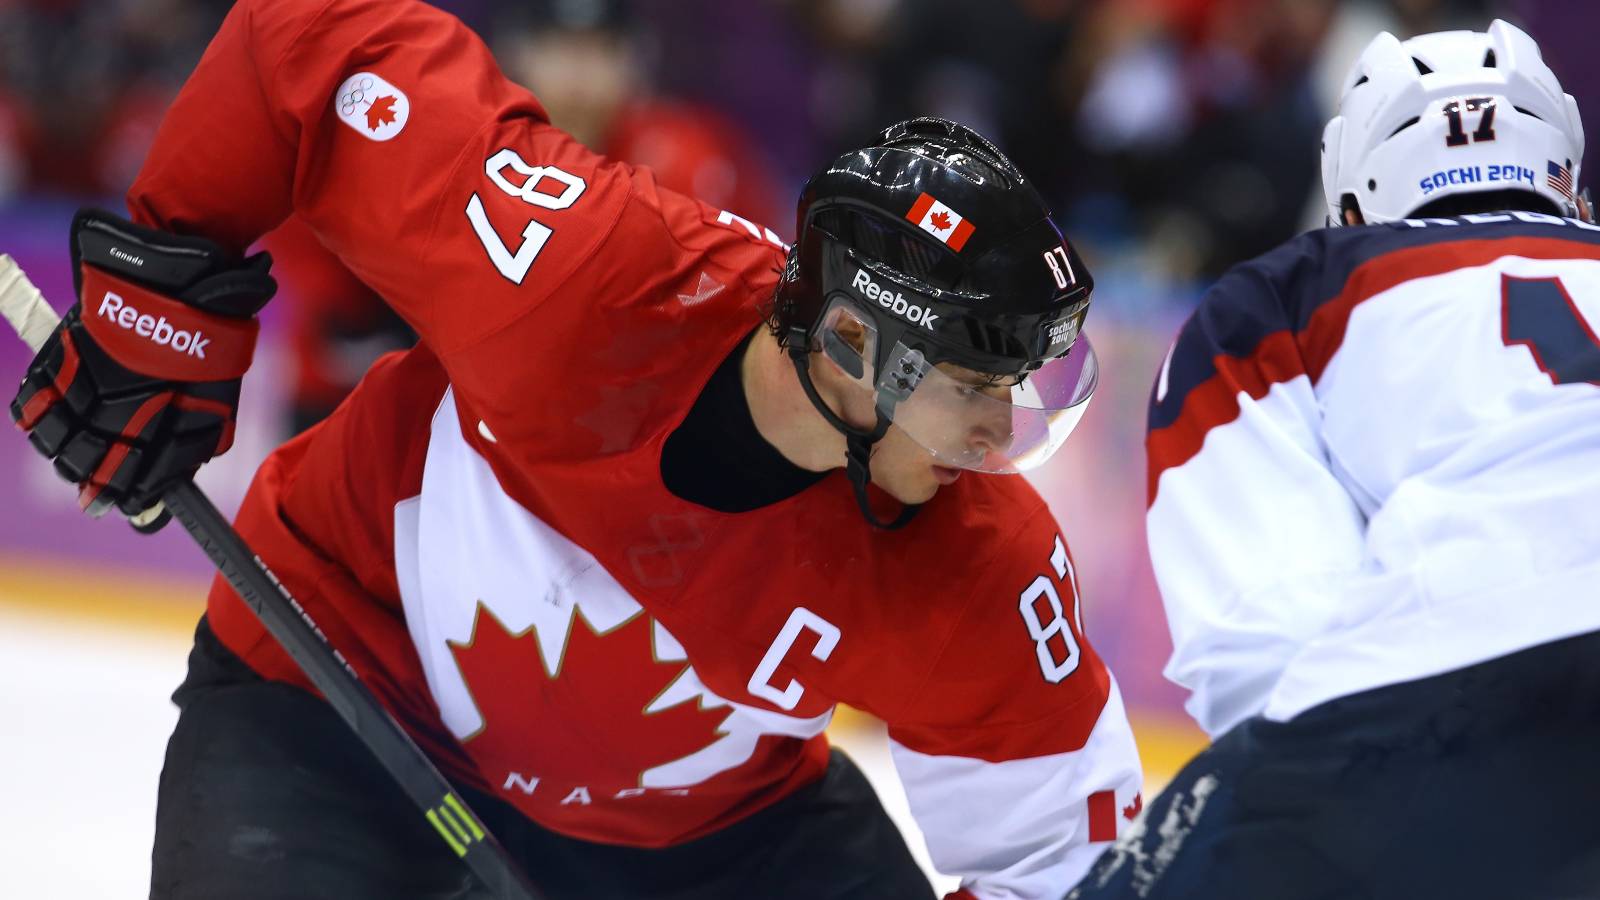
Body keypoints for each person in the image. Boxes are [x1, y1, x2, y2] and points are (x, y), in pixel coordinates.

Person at [6, 0, 1143, 897]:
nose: (1001, 435)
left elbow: (1067, 865)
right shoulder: (581, 274)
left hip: (715, 841)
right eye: (973, 388)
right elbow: (306, 43)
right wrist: (158, 310)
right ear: (849, 342)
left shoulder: (981, 568)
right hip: (336, 693)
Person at [1071, 19, 1600, 900]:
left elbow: (1263, 642)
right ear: (1569, 184)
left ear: (1353, 199)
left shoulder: (1283, 295)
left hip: (1443, 692)